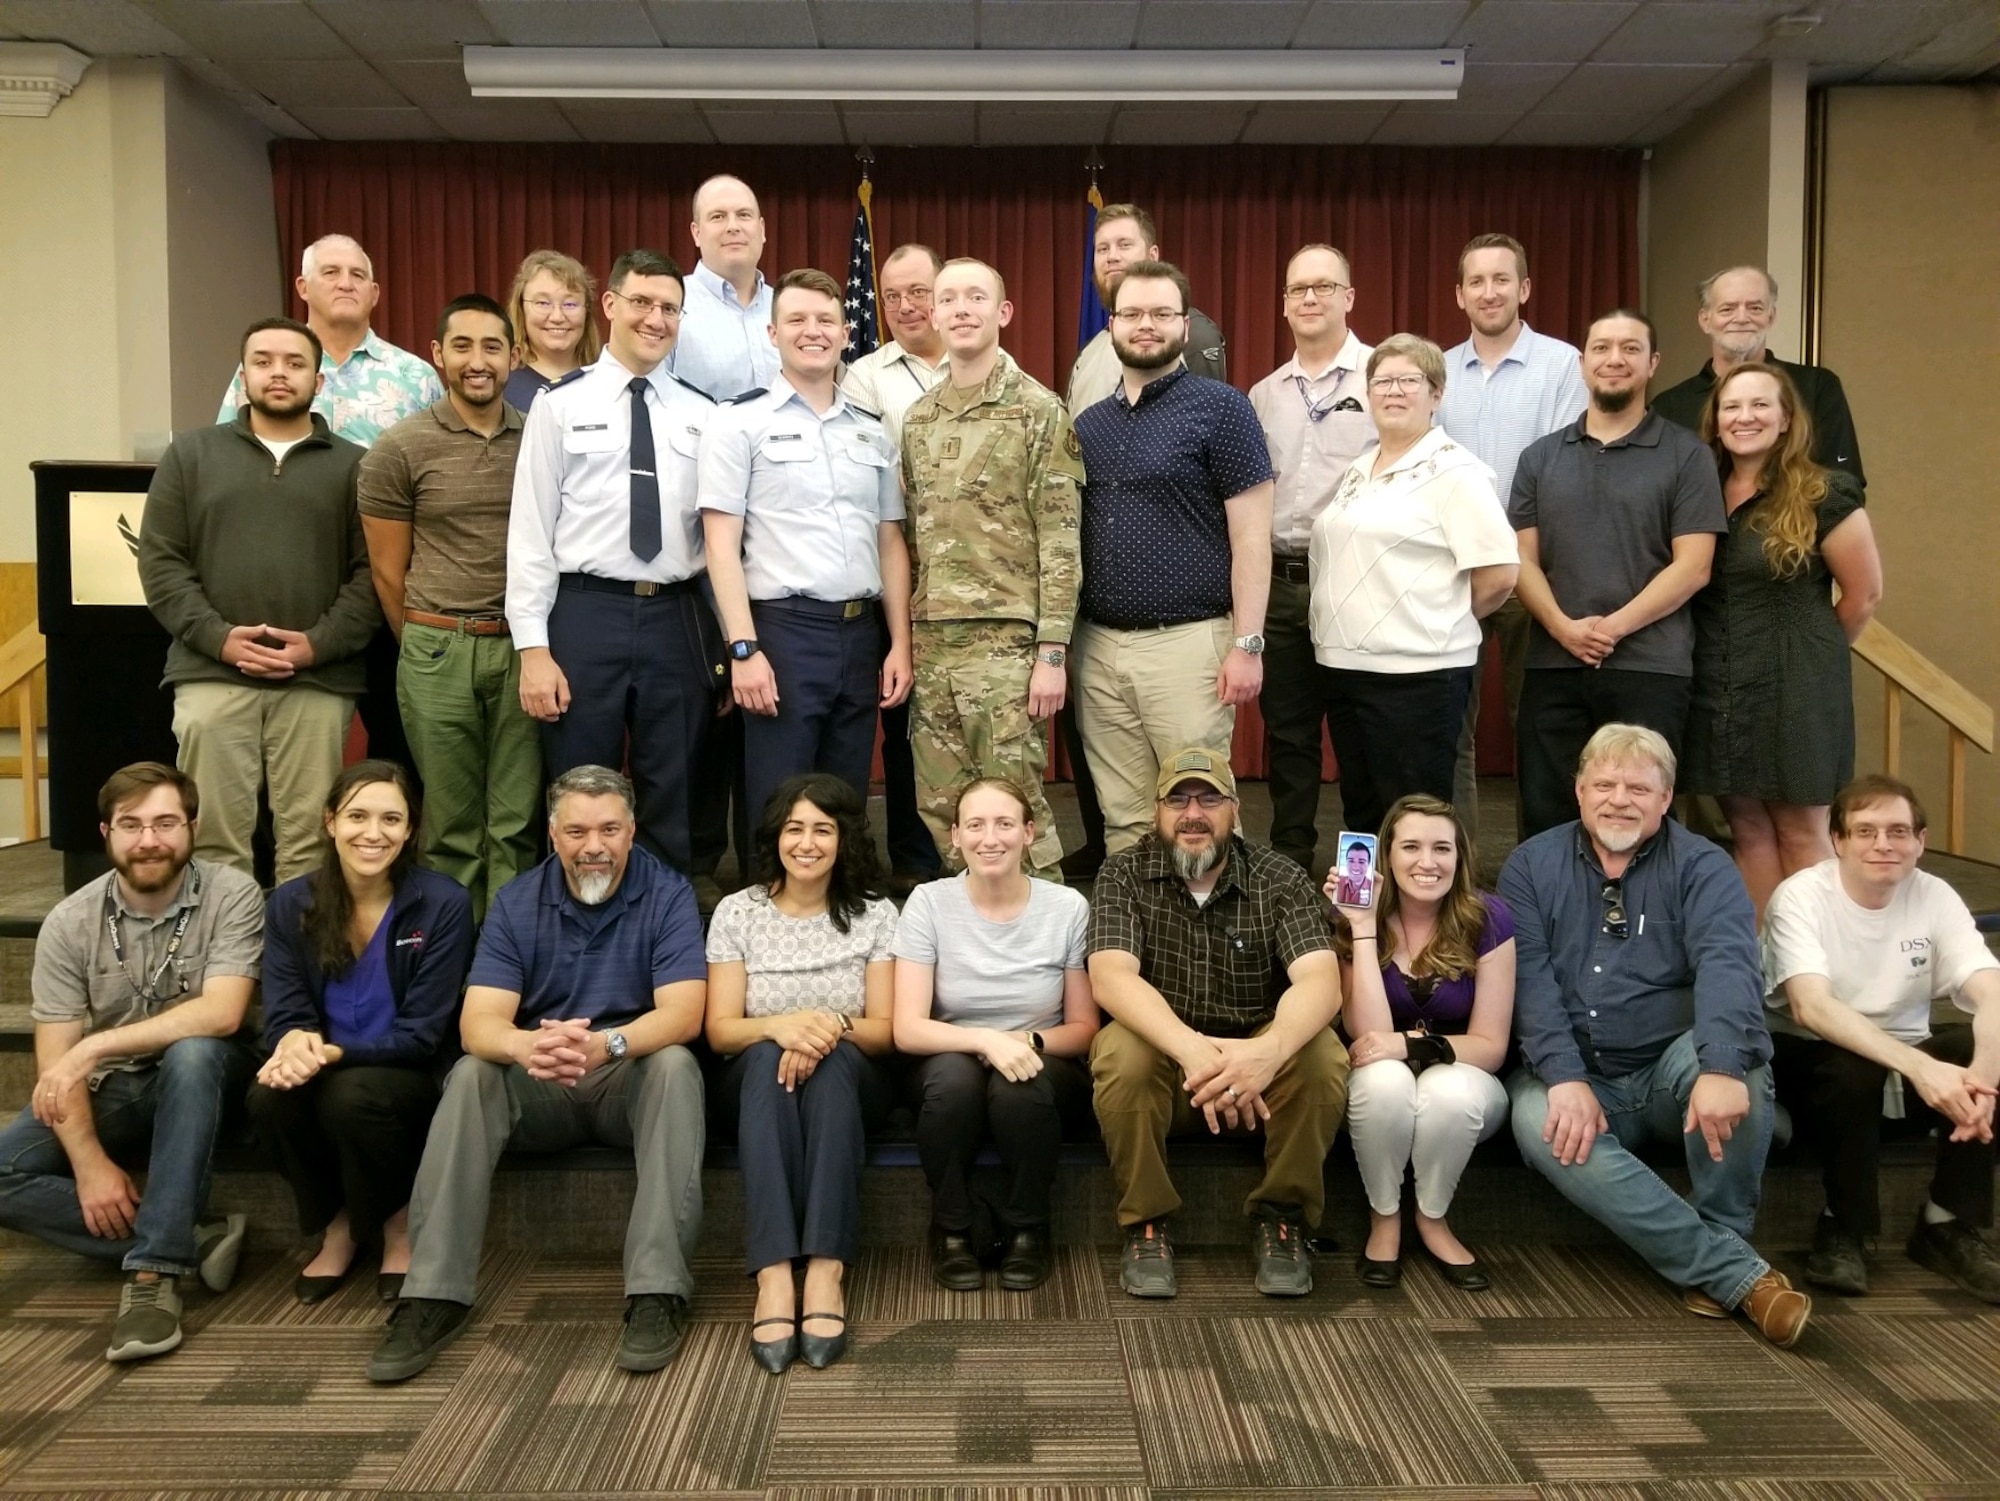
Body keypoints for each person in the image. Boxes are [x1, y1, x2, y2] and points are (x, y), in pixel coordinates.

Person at [367, 766, 708, 1383]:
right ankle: (432, 1295)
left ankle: (657, 1291)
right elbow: (479, 1023)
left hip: (622, 1078)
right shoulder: (518, 900)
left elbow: (684, 1013)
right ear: (553, 835)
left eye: (609, 829)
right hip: (543, 1079)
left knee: (676, 1067)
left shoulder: (669, 894)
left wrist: (611, 1042)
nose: (594, 846)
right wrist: (526, 1048)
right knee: (472, 1072)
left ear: (632, 831)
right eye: (576, 831)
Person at [1500, 723, 1810, 1347]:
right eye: (1605, 784)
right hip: (1578, 1074)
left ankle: (1723, 1234)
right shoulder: (1530, 865)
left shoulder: (1704, 865)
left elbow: (1729, 966)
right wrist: (1563, 1076)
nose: (1620, 798)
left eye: (1639, 787)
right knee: (1535, 1119)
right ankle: (1732, 1271)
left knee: (1739, 1063)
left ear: (1666, 799)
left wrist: (1720, 1068)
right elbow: (1529, 986)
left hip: (1670, 1071)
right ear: (1579, 791)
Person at [0, 764, 260, 1362]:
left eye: (166, 822)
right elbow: (53, 1063)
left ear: (192, 827)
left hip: (214, 1073)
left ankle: (152, 1278)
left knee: (192, 1053)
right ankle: (185, 1234)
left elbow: (221, 1014)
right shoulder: (70, 922)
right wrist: (88, 1165)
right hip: (120, 1084)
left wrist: (92, 1046)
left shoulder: (231, 894)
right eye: (132, 825)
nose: (149, 840)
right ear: (105, 833)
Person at [1087, 747, 1348, 1299]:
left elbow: (1321, 981)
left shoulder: (1280, 876)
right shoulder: (1122, 873)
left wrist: (1268, 1053)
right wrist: (1192, 1050)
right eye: (1177, 799)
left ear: (1235, 810)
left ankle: (1282, 1218)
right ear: (1156, 812)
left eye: (1209, 798)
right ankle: (1147, 1223)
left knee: (1322, 1056)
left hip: (1260, 1078)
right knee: (1119, 1052)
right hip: (1169, 1066)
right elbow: (1111, 978)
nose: (1193, 813)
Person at [140, 316, 380, 883]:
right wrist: (220, 639)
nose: (279, 373)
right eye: (264, 361)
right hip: (210, 675)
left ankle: (295, 971)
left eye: (295, 363)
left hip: (317, 680)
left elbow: (373, 575)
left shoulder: (354, 465)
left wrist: (315, 646)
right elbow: (161, 562)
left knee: (310, 844)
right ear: (242, 374)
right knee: (216, 841)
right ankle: (225, 970)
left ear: (318, 381)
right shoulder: (191, 457)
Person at [507, 248, 723, 875]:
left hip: (676, 615)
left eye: (669, 309)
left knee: (673, 788)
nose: (655, 319)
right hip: (584, 613)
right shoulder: (559, 404)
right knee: (581, 791)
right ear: (610, 305)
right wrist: (533, 648)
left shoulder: (702, 412)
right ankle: (581, 935)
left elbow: (715, 541)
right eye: (642, 303)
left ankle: (666, 934)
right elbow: (530, 532)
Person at [215, 233, 442, 785]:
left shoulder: (414, 378)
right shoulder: (265, 370)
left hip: (388, 580)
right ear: (302, 287)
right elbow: (231, 462)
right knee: (285, 757)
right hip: (296, 581)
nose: (345, 283)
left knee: (397, 739)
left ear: (375, 292)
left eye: (357, 275)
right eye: (331, 272)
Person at [1765, 775, 2000, 1302]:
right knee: (1855, 1064)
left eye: (1898, 831)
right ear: (1838, 840)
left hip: (1898, 1073)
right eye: (1865, 831)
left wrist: (1983, 1073)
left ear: (1920, 840)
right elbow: (1812, 1007)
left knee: (1978, 1050)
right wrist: (1921, 1069)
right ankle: (1843, 1226)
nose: (1883, 844)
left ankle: (1945, 1223)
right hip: (1810, 1073)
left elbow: (1993, 991)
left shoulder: (1934, 895)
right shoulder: (1801, 896)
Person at [246, 761, 473, 1304]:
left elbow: (423, 1034)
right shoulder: (289, 904)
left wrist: (326, 1052)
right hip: (326, 1061)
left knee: (351, 1097)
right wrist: (294, 1043)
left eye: (391, 819)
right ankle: (339, 1224)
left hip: (410, 1073)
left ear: (411, 829)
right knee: (266, 1099)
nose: (374, 833)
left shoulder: (443, 904)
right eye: (358, 816)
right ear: (329, 822)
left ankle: (397, 1223)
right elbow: (284, 1010)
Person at [1071, 261, 1274, 854]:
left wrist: (1248, 644)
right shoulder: (1089, 424)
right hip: (1099, 650)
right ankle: (1139, 944)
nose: (1146, 325)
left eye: (1161, 314)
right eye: (1132, 314)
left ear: (1185, 326)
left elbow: (1253, 539)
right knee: (1124, 820)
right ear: (1111, 325)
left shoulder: (1223, 409)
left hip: (1188, 648)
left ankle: (1218, 944)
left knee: (1200, 812)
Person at [697, 268, 912, 826]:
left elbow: (889, 541)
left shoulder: (872, 429)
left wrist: (900, 646)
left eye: (825, 320)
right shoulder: (739, 422)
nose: (811, 331)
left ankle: (840, 909)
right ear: (773, 333)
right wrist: (742, 649)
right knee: (779, 801)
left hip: (860, 635)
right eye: (796, 319)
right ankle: (768, 910)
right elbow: (719, 545)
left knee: (845, 803)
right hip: (782, 634)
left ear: (846, 333)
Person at [705, 773, 898, 1373]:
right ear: (775, 838)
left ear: (844, 840)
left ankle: (824, 1269)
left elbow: (887, 1029)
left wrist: (826, 1026)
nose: (807, 843)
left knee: (835, 1059)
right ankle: (772, 1275)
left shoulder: (876, 915)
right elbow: (720, 1030)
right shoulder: (739, 913)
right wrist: (780, 1028)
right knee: (765, 1058)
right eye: (795, 829)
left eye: (823, 829)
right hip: (757, 1080)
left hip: (854, 1078)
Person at [1509, 310, 1725, 840]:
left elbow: (1694, 567)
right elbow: (1520, 561)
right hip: (1553, 663)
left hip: (1650, 667)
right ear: (1582, 363)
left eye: (1630, 349)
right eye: (1602, 348)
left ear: (1652, 364)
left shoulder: (1687, 455)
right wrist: (1563, 628)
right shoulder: (1539, 457)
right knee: (1548, 811)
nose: (1614, 359)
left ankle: (1642, 923)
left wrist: (1613, 628)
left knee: (1638, 816)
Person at [901, 257, 1084, 878]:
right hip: (934, 644)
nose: (961, 309)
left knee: (1014, 808)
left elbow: (1061, 538)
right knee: (945, 808)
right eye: (948, 299)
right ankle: (973, 944)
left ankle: (1047, 951)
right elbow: (910, 535)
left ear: (1002, 312)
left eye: (975, 297)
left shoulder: (1038, 410)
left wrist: (1052, 652)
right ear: (933, 314)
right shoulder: (918, 419)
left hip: (1006, 646)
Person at [359, 293, 540, 918]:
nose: (478, 360)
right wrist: (422, 643)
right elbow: (388, 571)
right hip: (436, 649)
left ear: (514, 356)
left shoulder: (542, 440)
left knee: (516, 822)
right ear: (438, 355)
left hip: (523, 648)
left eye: (492, 346)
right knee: (451, 826)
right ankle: (450, 971)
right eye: (461, 346)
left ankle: (508, 967)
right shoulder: (399, 448)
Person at [1683, 364, 1882, 916]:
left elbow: (1863, 596)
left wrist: (1811, 661)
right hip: (1721, 687)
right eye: (1732, 407)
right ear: (1716, 420)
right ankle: (1768, 961)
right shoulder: (1698, 490)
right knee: (1746, 827)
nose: (1745, 417)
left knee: (1800, 828)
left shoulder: (1825, 491)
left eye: (1760, 405)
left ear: (1786, 418)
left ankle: (1819, 966)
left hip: (1797, 685)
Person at [893, 777, 1099, 1292]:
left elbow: (1082, 1029)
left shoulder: (1066, 906)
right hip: (950, 1052)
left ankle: (1028, 1228)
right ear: (955, 837)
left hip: (1043, 1057)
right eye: (976, 825)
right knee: (953, 1085)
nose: (991, 838)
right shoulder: (928, 902)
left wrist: (1025, 1044)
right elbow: (908, 1028)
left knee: (1020, 1086)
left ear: (1029, 833)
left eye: (1005, 824)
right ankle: (952, 1229)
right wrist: (987, 1041)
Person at [1308, 334, 1519, 837]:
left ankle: (1420, 916)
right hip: (1345, 669)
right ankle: (1364, 914)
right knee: (1361, 812)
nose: (1394, 391)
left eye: (1409, 380)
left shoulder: (1456, 472)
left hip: (1419, 676)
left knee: (1414, 820)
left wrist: (1440, 617)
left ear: (1436, 394)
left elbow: (1499, 574)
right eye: (1382, 381)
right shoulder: (1359, 470)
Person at [1435, 233, 1589, 827]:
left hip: (1536, 569)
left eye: (1502, 279)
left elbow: (1561, 469)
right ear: (1459, 294)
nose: (1489, 291)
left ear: (1524, 288)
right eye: (1477, 281)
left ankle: (1543, 871)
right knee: (1452, 730)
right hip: (1455, 575)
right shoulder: (1439, 373)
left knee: (1541, 728)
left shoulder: (1563, 365)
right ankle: (1457, 876)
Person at [1330, 795, 1514, 1290]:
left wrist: (1411, 1045)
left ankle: (1432, 1218)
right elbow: (1364, 1033)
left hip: (1468, 1082)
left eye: (1442, 848)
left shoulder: (1489, 917)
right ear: (1385, 856)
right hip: (1380, 1081)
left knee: (1446, 1093)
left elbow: (1491, 1046)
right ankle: (1385, 1216)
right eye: (1410, 846)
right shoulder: (1354, 917)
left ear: (1461, 857)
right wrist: (1362, 926)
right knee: (1385, 1083)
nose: (1427, 862)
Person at [1246, 244, 1376, 873]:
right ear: (1285, 305)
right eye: (1298, 289)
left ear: (1349, 297)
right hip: (1279, 582)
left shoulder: (1385, 377)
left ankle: (1361, 875)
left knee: (1358, 737)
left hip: (1357, 584)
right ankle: (1291, 870)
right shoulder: (1264, 394)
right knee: (1290, 737)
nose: (1310, 299)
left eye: (1325, 286)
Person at [836, 240, 951, 889]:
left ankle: (973, 848)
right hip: (892, 568)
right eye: (893, 295)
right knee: (904, 722)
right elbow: (871, 477)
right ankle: (912, 857)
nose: (907, 305)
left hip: (974, 578)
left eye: (919, 291)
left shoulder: (988, 364)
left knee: (962, 719)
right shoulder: (865, 376)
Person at [1651, 266, 1865, 484]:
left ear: (1771, 317)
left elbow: (1844, 482)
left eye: (1755, 308)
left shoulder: (1817, 386)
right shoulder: (1669, 407)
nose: (1742, 318)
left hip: (1798, 517)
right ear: (1705, 320)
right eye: (1727, 309)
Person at [1065, 203, 1227, 418]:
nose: (1111, 256)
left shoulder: (1193, 336)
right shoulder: (1090, 351)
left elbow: (1208, 427)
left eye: (1124, 245)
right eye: (1103, 248)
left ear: (1152, 255)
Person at [669, 173, 780, 402]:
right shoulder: (670, 306)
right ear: (696, 233)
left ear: (762, 230)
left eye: (743, 215)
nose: (733, 226)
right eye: (718, 217)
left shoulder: (788, 308)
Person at [504, 248, 602, 410]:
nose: (557, 317)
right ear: (521, 309)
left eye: (570, 304)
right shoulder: (500, 387)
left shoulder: (610, 382)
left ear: (587, 312)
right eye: (543, 303)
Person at [1332, 838, 1374, 909]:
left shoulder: (1374, 889)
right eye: (1351, 861)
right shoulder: (1338, 881)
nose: (1355, 867)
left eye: (1361, 862)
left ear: (1369, 865)